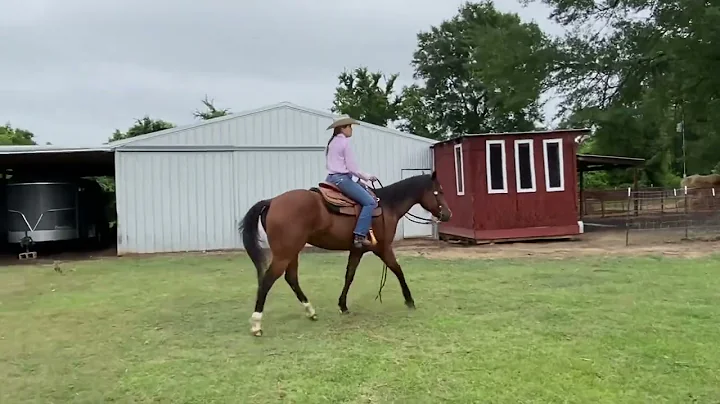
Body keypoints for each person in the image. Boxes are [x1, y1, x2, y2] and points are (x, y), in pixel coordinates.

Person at [324, 116, 378, 248]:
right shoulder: (344, 143)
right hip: (342, 179)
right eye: (350, 127)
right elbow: (352, 168)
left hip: (331, 178)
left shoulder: (332, 142)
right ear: (343, 128)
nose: (351, 130)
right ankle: (359, 235)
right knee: (370, 202)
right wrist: (368, 176)